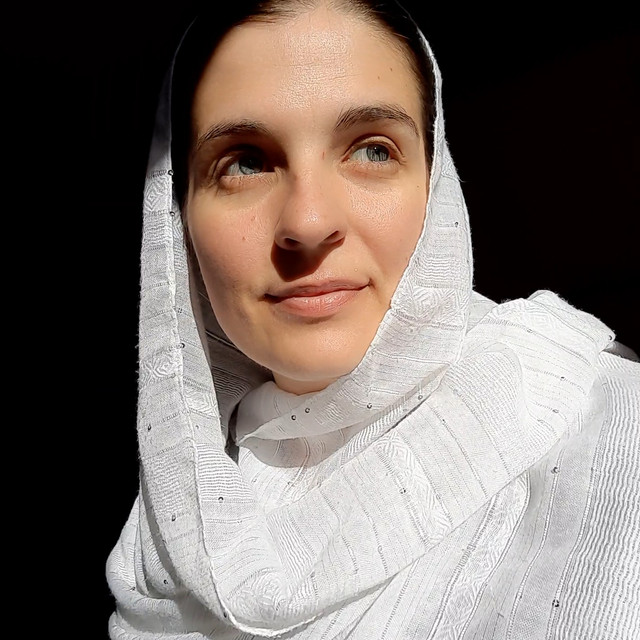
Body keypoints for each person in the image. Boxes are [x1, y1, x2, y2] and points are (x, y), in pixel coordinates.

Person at [106, 1, 639, 638]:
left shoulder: (610, 432)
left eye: (372, 151)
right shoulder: (166, 532)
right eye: (245, 162)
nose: (307, 222)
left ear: (436, 185)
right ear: (178, 223)